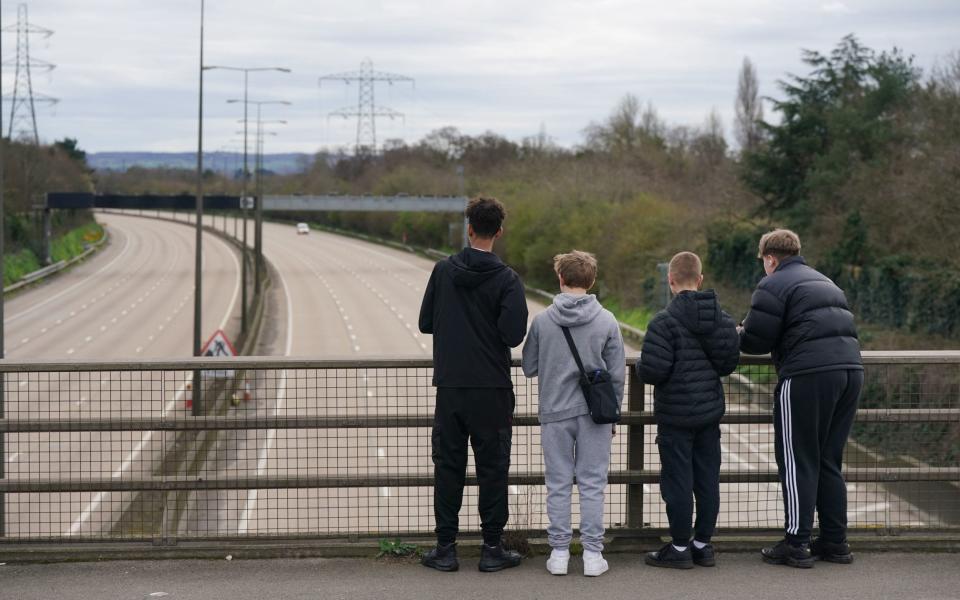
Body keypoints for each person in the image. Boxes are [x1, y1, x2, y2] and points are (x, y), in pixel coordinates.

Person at [739, 229, 863, 568]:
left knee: (797, 459)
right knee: (828, 460)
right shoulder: (826, 282)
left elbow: (755, 340)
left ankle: (796, 543)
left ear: (770, 258)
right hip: (850, 371)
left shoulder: (775, 283)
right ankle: (835, 543)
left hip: (808, 374)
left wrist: (737, 332)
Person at [418, 196, 529, 573]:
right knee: (492, 468)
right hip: (492, 389)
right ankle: (492, 548)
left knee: (448, 466)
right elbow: (514, 335)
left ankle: (445, 548)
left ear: (469, 229)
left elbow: (425, 323)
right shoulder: (508, 280)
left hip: (450, 387)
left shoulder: (443, 271)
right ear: (499, 231)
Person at [522, 251, 625, 577]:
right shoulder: (607, 320)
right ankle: (593, 555)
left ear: (560, 278)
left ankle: (559, 553)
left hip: (555, 412)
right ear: (591, 280)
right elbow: (618, 374)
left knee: (558, 483)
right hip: (594, 414)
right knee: (593, 482)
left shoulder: (542, 321)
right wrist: (612, 414)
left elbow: (529, 366)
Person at [638, 251, 740, 569]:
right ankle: (702, 545)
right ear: (700, 279)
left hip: (675, 415)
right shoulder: (722, 321)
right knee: (707, 479)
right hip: (709, 414)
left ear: (670, 281)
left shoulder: (663, 322)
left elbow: (653, 371)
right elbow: (727, 364)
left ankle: (680, 548)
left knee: (677, 481)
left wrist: (641, 365)